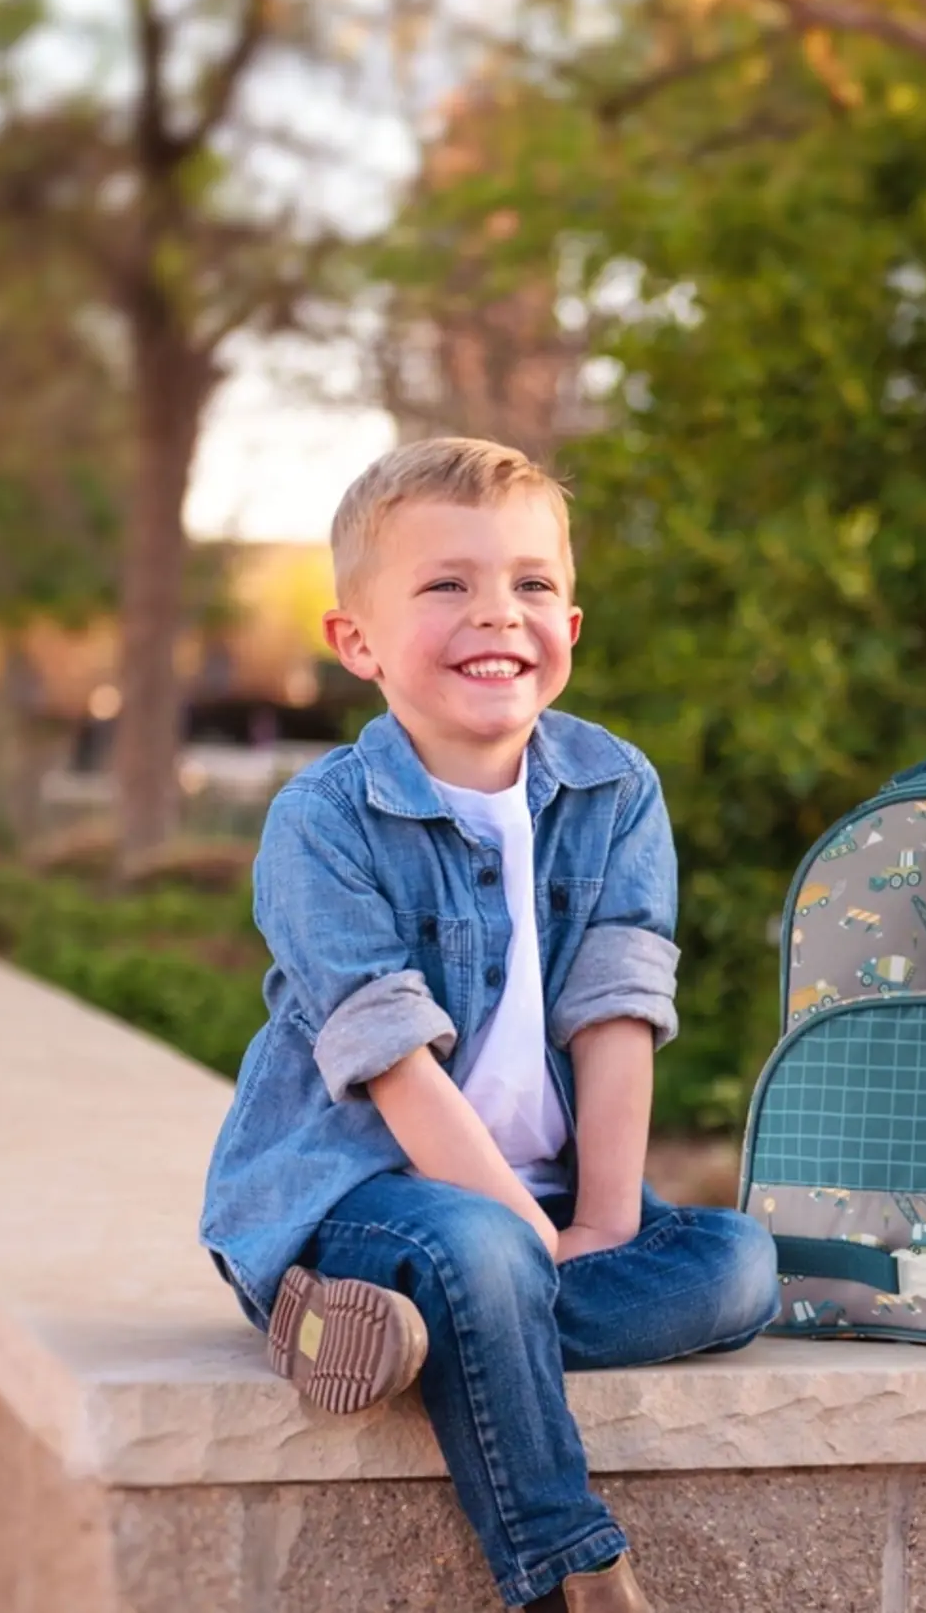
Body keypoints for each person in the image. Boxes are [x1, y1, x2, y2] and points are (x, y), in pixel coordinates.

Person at [200, 437, 781, 1612]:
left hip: (547, 1206)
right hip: (364, 1195)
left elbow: (616, 1011)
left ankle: (417, 1333)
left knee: (740, 1265)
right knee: (478, 1253)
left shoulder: (614, 790)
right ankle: (570, 1565)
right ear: (354, 641)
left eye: (527, 582)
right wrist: (517, 1232)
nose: (496, 613)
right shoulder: (321, 822)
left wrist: (607, 1220)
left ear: (572, 616)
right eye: (445, 584)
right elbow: (394, 1067)